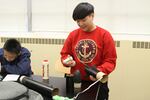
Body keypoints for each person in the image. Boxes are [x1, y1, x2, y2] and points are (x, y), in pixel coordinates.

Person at [60, 2, 117, 100]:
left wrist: (98, 72)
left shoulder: (105, 35)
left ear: (92, 16)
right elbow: (65, 54)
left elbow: (110, 61)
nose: (80, 24)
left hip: (97, 83)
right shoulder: (73, 35)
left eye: (83, 20)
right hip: (76, 82)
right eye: (77, 21)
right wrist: (67, 61)